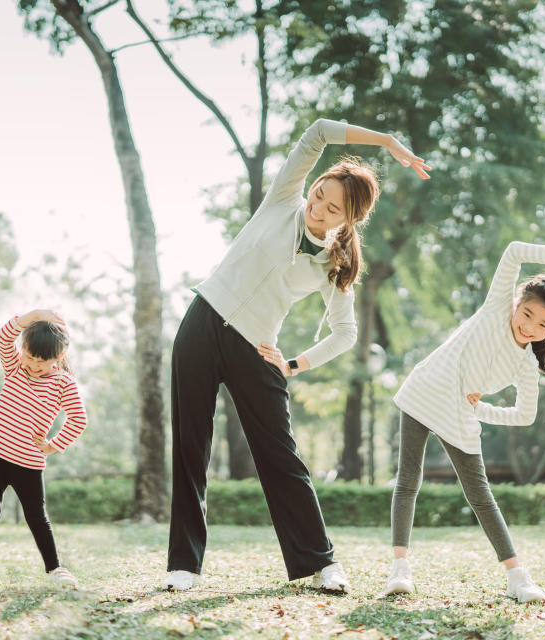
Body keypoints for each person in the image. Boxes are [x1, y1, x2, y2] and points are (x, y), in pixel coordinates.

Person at [163, 118, 431, 593]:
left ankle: (322, 562)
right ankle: (184, 565)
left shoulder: (335, 263)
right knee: (189, 448)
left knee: (281, 457)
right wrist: (386, 141)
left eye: (332, 210)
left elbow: (346, 333)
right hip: (203, 324)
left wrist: (293, 364)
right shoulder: (284, 200)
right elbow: (319, 132)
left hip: (257, 347)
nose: (318, 209)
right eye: (320, 196)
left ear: (349, 220)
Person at [385, 241, 545, 602]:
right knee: (408, 480)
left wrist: (481, 411)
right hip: (425, 390)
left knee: (480, 495)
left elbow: (524, 415)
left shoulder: (527, 365)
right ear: (516, 302)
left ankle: (517, 576)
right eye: (527, 314)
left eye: (543, 325)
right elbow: (512, 250)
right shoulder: (496, 308)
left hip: (461, 412)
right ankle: (399, 569)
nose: (530, 326)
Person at [0, 309, 87, 587]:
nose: (33, 365)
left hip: (28, 462)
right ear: (23, 350)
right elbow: (2, 338)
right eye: (29, 356)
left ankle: (55, 569)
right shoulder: (14, 368)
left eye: (41, 362)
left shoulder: (63, 383)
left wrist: (53, 445)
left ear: (59, 358)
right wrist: (32, 316)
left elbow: (78, 419)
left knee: (37, 516)